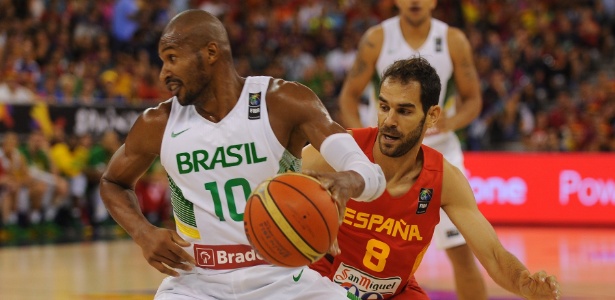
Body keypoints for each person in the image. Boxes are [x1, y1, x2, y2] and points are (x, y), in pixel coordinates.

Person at [99, 9, 386, 300]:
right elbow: (112, 182)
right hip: (196, 283)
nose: (164, 74)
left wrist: (349, 181)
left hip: (283, 276)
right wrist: (142, 232)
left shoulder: (282, 102)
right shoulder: (158, 123)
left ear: (211, 52)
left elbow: (371, 172)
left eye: (172, 58)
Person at [305, 57, 561, 300]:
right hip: (321, 284)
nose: (389, 121)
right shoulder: (337, 149)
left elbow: (493, 255)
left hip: (396, 292)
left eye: (404, 111)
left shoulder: (445, 179)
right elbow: (270, 187)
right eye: (384, 107)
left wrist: (522, 283)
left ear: (432, 116)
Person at [336, 1, 486, 298]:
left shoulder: (453, 40)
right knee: (355, 246)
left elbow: (473, 100)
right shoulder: (376, 38)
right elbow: (348, 98)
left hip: (438, 155)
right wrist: (359, 148)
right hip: (383, 156)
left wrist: (450, 121)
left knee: (461, 251)